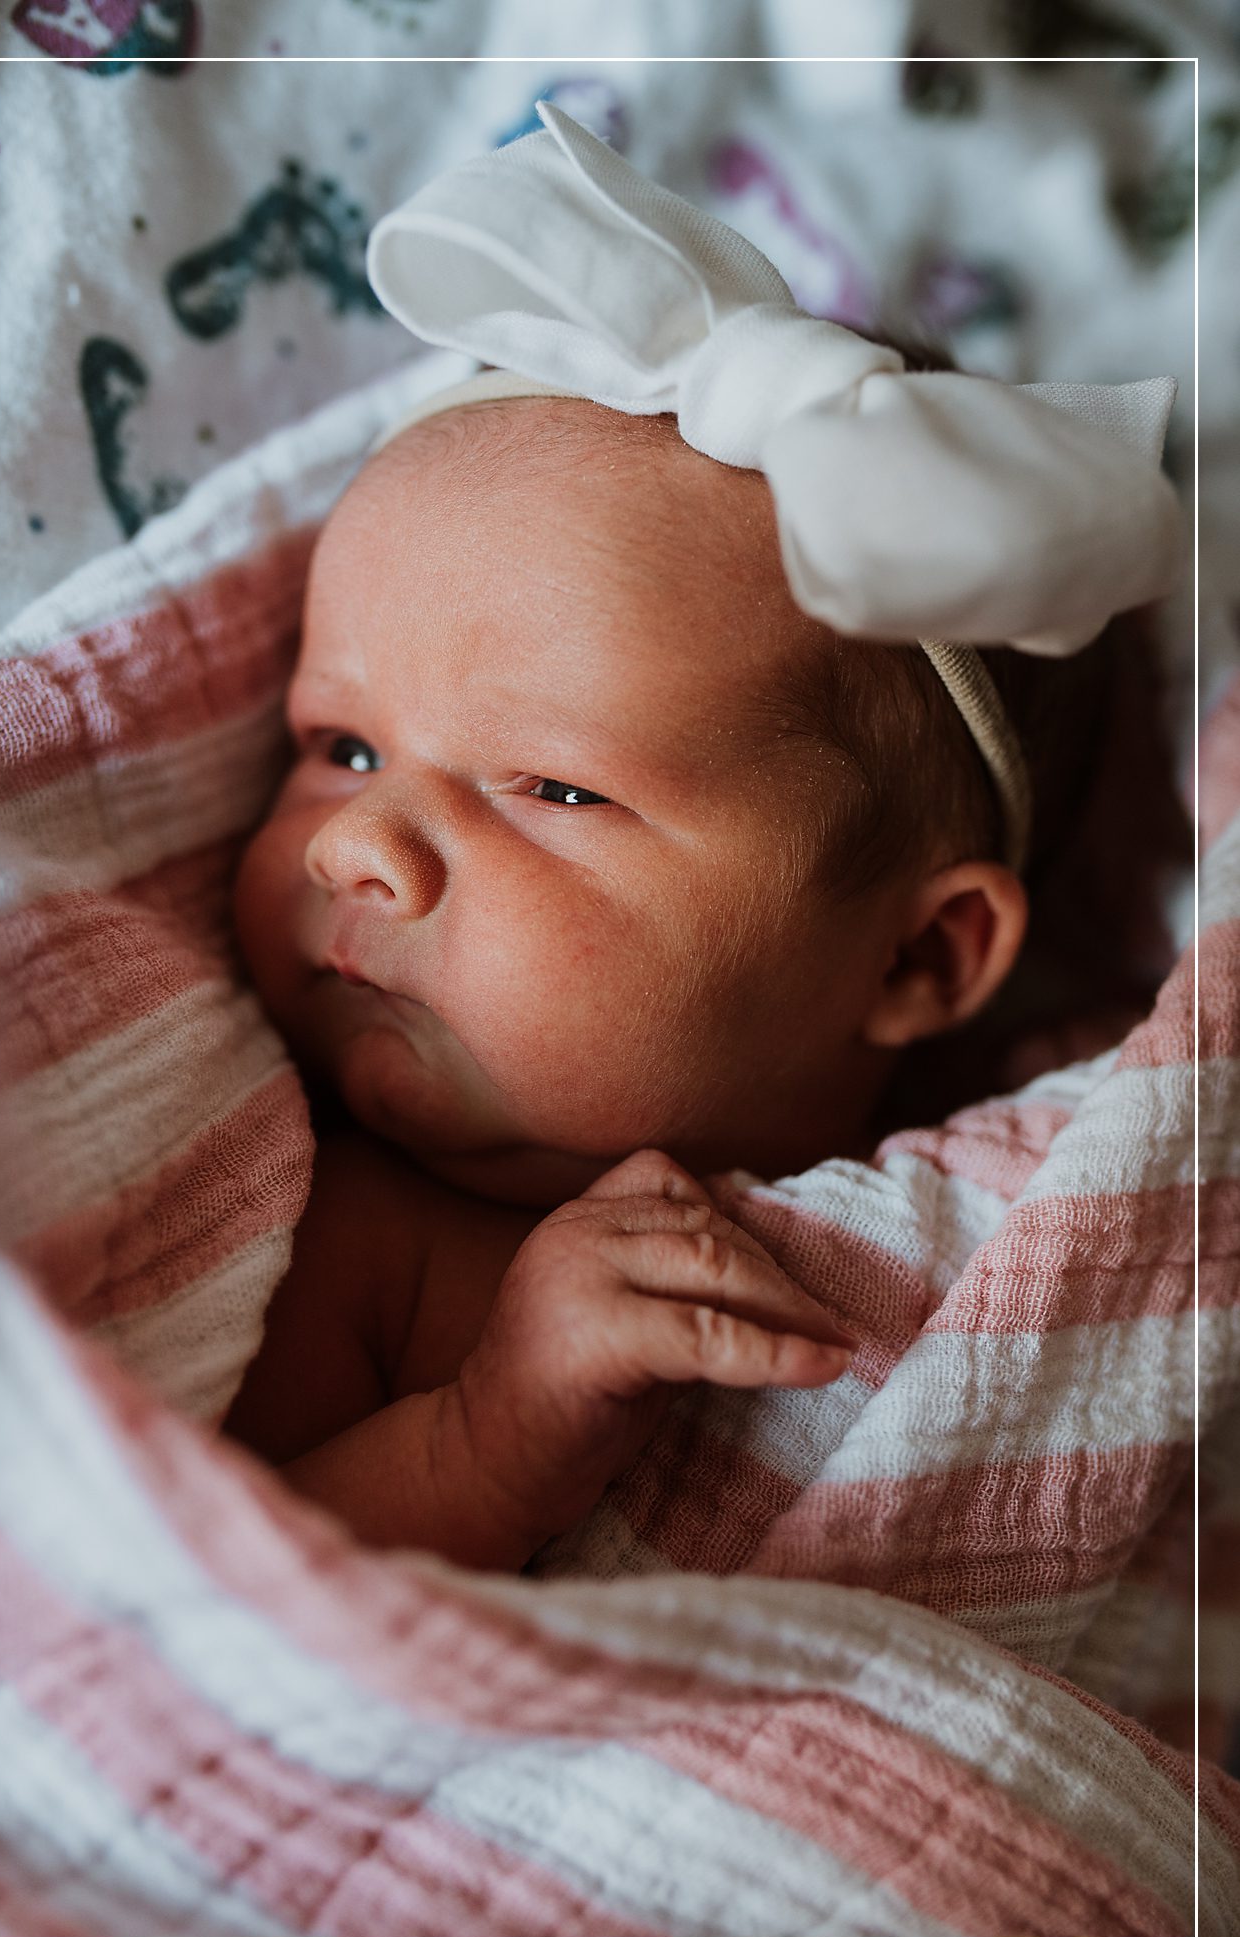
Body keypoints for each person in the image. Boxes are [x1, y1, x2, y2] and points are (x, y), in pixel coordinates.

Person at [223, 107, 1182, 1572]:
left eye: (551, 788)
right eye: (341, 747)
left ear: (922, 956)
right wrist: (485, 1434)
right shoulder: (363, 1240)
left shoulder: (1074, 1174)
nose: (358, 842)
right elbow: (216, 1610)